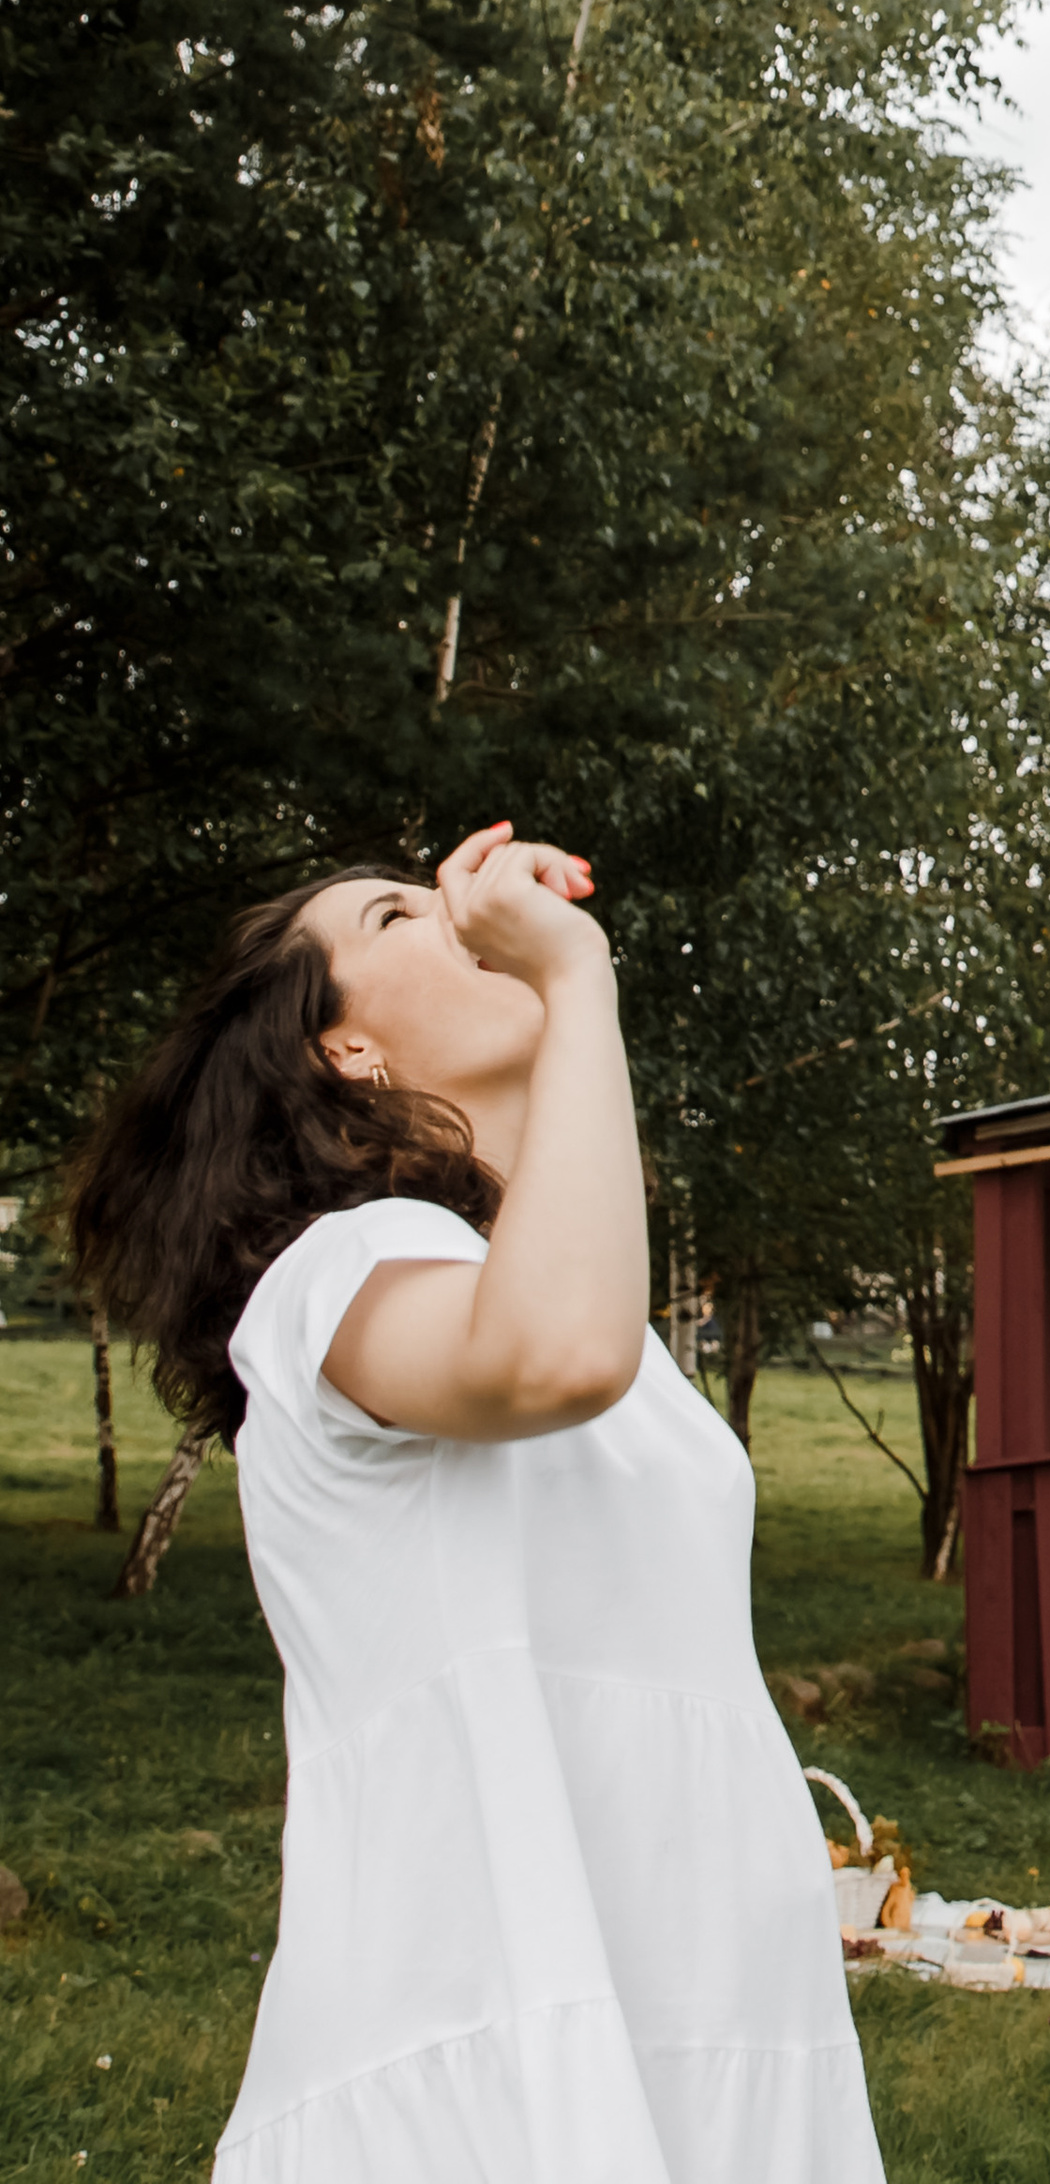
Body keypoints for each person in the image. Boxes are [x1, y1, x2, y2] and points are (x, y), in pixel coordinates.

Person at [71, 823, 885, 2184]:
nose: (453, 911)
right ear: (345, 1051)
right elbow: (549, 1353)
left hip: (699, 2004)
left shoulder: (579, 1311)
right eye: (397, 919)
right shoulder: (342, 1272)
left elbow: (571, 1324)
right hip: (489, 2027)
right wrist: (575, 976)